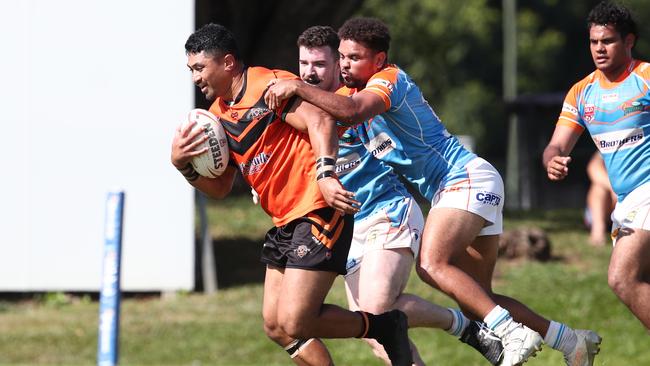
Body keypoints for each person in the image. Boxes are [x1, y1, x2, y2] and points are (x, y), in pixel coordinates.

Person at [266, 17, 601, 366]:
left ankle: (512, 332)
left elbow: (349, 112)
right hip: (460, 187)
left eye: (352, 58)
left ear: (378, 59)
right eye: (343, 58)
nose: (345, 65)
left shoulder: (388, 80)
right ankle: (570, 341)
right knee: (478, 298)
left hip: (463, 178)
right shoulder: (350, 92)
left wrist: (296, 87)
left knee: (431, 264)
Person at [171, 23, 414, 366]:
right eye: (191, 70)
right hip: (285, 220)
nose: (195, 78)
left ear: (227, 63)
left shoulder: (267, 86)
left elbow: (321, 123)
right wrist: (185, 166)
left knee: (297, 320)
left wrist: (327, 175)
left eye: (199, 68)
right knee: (277, 326)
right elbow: (221, 188)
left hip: (316, 209)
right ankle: (383, 326)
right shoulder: (217, 117)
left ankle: (385, 326)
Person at [294, 25, 503, 365]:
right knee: (371, 329)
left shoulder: (359, 97)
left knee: (376, 310)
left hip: (385, 210)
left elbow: (355, 115)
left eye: (320, 64)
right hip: (347, 228)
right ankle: (469, 326)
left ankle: (467, 325)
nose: (309, 73)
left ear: (339, 64)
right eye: (303, 64)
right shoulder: (303, 106)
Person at [543, 0, 650, 330]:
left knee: (622, 278)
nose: (599, 49)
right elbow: (557, 144)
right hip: (625, 201)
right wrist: (552, 161)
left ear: (628, 41)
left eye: (608, 41)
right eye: (594, 42)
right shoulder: (582, 92)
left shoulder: (645, 77)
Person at [584, 152, 617, 246]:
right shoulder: (610, 142)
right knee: (599, 187)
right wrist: (615, 189)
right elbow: (593, 167)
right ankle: (598, 230)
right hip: (611, 203)